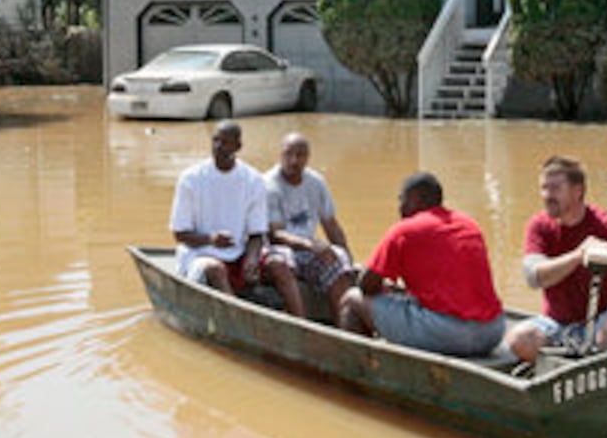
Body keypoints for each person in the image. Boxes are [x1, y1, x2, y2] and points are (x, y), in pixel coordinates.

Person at [503, 155, 607, 363]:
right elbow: (533, 276)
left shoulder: (605, 223)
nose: (547, 196)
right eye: (544, 188)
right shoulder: (539, 226)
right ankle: (560, 366)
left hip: (604, 322)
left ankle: (599, 364)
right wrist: (578, 256)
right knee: (518, 340)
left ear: (578, 191)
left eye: (555, 189)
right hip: (557, 324)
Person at [339, 172, 505, 357]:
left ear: (417, 199)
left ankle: (363, 371)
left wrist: (383, 289)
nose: (400, 208)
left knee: (351, 299)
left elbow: (366, 286)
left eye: (402, 200)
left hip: (449, 334)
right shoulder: (468, 224)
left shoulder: (404, 230)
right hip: (493, 330)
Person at [170, 120, 305, 316]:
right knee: (215, 269)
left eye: (225, 142)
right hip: (200, 254)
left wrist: (251, 258)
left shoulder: (252, 180)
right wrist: (210, 240)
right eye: (216, 140)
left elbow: (257, 232)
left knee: (280, 265)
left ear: (238, 147)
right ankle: (237, 318)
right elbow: (179, 234)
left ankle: (301, 323)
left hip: (239, 254)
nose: (219, 147)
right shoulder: (191, 178)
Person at [263, 132, 355, 321]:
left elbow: (331, 224)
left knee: (338, 260)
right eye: (289, 154)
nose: (294, 160)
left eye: (300, 155)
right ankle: (301, 323)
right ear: (280, 155)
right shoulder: (269, 185)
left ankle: (344, 325)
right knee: (283, 261)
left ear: (308, 157)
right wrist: (308, 245)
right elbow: (275, 233)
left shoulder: (316, 183)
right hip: (280, 248)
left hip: (308, 248)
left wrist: (347, 259)